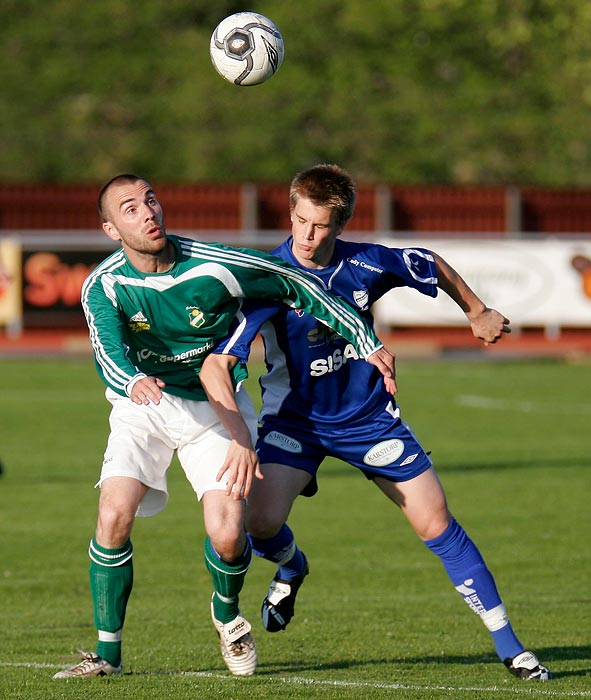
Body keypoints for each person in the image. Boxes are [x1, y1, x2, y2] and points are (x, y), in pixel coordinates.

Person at [200, 164, 552, 681]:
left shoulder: (365, 262)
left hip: (370, 421)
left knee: (437, 524)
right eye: (299, 220)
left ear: (340, 226)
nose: (306, 234)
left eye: (319, 225)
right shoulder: (268, 280)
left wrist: (476, 310)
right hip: (295, 424)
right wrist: (235, 430)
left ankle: (512, 648)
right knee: (258, 523)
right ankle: (293, 566)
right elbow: (223, 361)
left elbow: (428, 262)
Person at [52, 173, 395, 679]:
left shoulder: (216, 265)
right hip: (142, 406)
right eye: (129, 208)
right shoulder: (104, 284)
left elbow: (296, 282)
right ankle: (107, 655)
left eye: (150, 200)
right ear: (109, 228)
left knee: (230, 535)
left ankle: (227, 615)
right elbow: (106, 351)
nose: (147, 212)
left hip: (217, 407)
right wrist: (133, 381)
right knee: (113, 515)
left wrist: (364, 340)